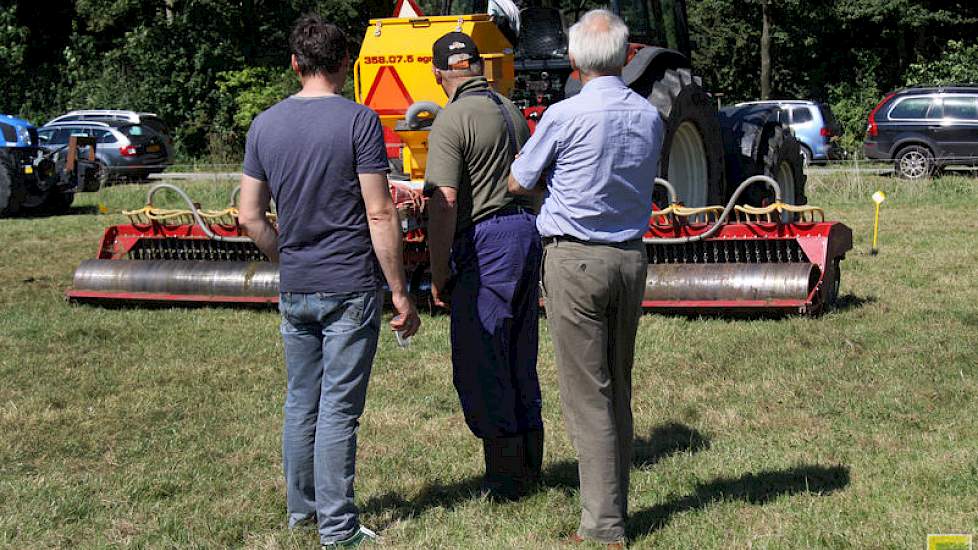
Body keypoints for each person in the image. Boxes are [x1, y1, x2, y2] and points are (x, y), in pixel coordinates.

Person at [237, 13, 420, 549]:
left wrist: (286, 255)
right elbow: (380, 213)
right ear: (345, 64)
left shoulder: (264, 125)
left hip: (296, 284)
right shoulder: (359, 122)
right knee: (339, 407)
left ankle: (303, 514)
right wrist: (400, 292)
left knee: (301, 401)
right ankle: (338, 529)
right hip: (348, 285)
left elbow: (249, 215)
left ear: (294, 64)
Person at [508, 9, 665, 548]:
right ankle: (612, 506)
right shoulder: (650, 116)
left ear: (572, 60)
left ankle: (604, 525)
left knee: (587, 396)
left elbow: (519, 178)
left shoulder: (563, 115)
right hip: (629, 258)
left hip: (575, 260)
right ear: (627, 56)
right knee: (617, 385)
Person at [423, 31, 544, 500]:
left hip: (487, 241)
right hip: (524, 230)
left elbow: (445, 201)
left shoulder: (452, 119)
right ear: (478, 66)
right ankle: (532, 463)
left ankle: (506, 480)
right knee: (519, 351)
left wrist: (438, 273)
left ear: (439, 75)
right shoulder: (509, 109)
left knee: (483, 355)